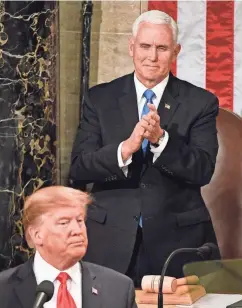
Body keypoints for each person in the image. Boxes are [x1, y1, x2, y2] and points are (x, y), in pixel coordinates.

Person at [69, 10, 219, 285]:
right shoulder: (99, 98)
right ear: (131, 47)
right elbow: (79, 167)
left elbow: (203, 170)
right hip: (109, 240)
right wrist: (124, 150)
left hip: (176, 244)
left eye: (162, 48)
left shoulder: (201, 102)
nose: (152, 56)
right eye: (145, 46)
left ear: (176, 51)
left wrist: (161, 140)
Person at [0, 186, 137, 308]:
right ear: (37, 235)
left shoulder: (119, 288)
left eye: (79, 221)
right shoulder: (3, 290)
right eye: (64, 223)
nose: (77, 230)